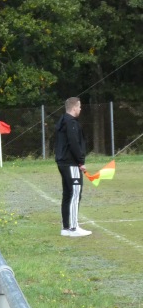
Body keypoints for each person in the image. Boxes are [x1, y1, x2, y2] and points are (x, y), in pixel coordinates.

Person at [55, 97, 92, 237]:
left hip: (63, 163)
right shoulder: (71, 123)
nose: (81, 109)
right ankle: (74, 227)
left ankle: (66, 227)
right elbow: (74, 143)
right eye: (80, 106)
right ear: (74, 108)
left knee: (68, 194)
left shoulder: (63, 121)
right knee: (75, 193)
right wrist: (81, 162)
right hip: (70, 164)